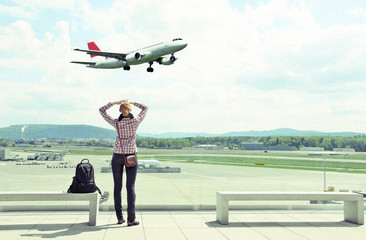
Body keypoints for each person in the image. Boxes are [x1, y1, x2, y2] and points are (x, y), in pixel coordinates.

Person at [99, 99, 148, 226]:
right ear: (130, 110)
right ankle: (131, 219)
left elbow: (101, 110)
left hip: (117, 156)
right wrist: (133, 102)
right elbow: (145, 108)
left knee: (117, 187)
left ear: (120, 110)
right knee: (130, 187)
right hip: (131, 155)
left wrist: (114, 103)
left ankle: (120, 218)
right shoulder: (135, 121)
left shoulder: (116, 123)